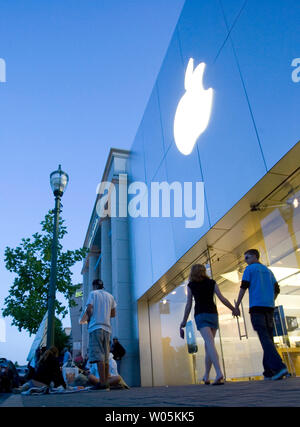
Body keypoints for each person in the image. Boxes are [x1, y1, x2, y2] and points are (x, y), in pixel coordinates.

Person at [234, 249, 288, 381]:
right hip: (269, 308)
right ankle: (269, 371)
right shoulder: (268, 271)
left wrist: (236, 306)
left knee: (264, 338)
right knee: (268, 338)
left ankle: (280, 367)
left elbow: (243, 287)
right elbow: (277, 289)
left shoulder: (250, 270)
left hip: (257, 308)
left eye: (247, 257)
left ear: (254, 256)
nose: (246, 260)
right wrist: (270, 299)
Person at [180, 264, 238, 385]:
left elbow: (189, 304)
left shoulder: (191, 285)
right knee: (208, 346)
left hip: (201, 315)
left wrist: (184, 321)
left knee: (210, 344)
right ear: (203, 271)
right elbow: (222, 298)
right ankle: (206, 375)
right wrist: (233, 308)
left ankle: (218, 373)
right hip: (213, 315)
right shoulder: (212, 282)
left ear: (192, 273)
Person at [85, 278, 117, 390]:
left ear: (94, 286)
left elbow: (89, 309)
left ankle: (102, 383)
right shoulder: (110, 296)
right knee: (106, 356)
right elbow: (113, 314)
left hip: (96, 327)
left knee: (99, 356)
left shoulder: (93, 294)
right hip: (107, 328)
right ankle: (106, 382)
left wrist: (89, 319)